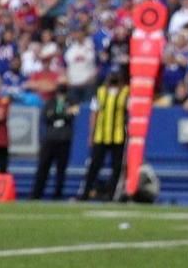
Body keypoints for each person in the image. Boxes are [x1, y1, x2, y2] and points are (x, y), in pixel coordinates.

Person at [79, 69, 129, 201]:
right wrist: (91, 133)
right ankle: (85, 193)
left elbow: (129, 113)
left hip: (118, 135)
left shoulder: (126, 92)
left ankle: (111, 195)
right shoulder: (100, 92)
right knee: (94, 165)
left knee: (116, 167)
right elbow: (94, 113)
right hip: (101, 134)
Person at [31, 83, 77, 200]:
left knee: (61, 169)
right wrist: (62, 115)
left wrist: (58, 115)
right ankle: (36, 194)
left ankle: (57, 194)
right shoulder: (50, 102)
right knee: (43, 167)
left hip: (64, 138)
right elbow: (47, 116)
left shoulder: (72, 102)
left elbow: (71, 114)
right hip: (50, 138)